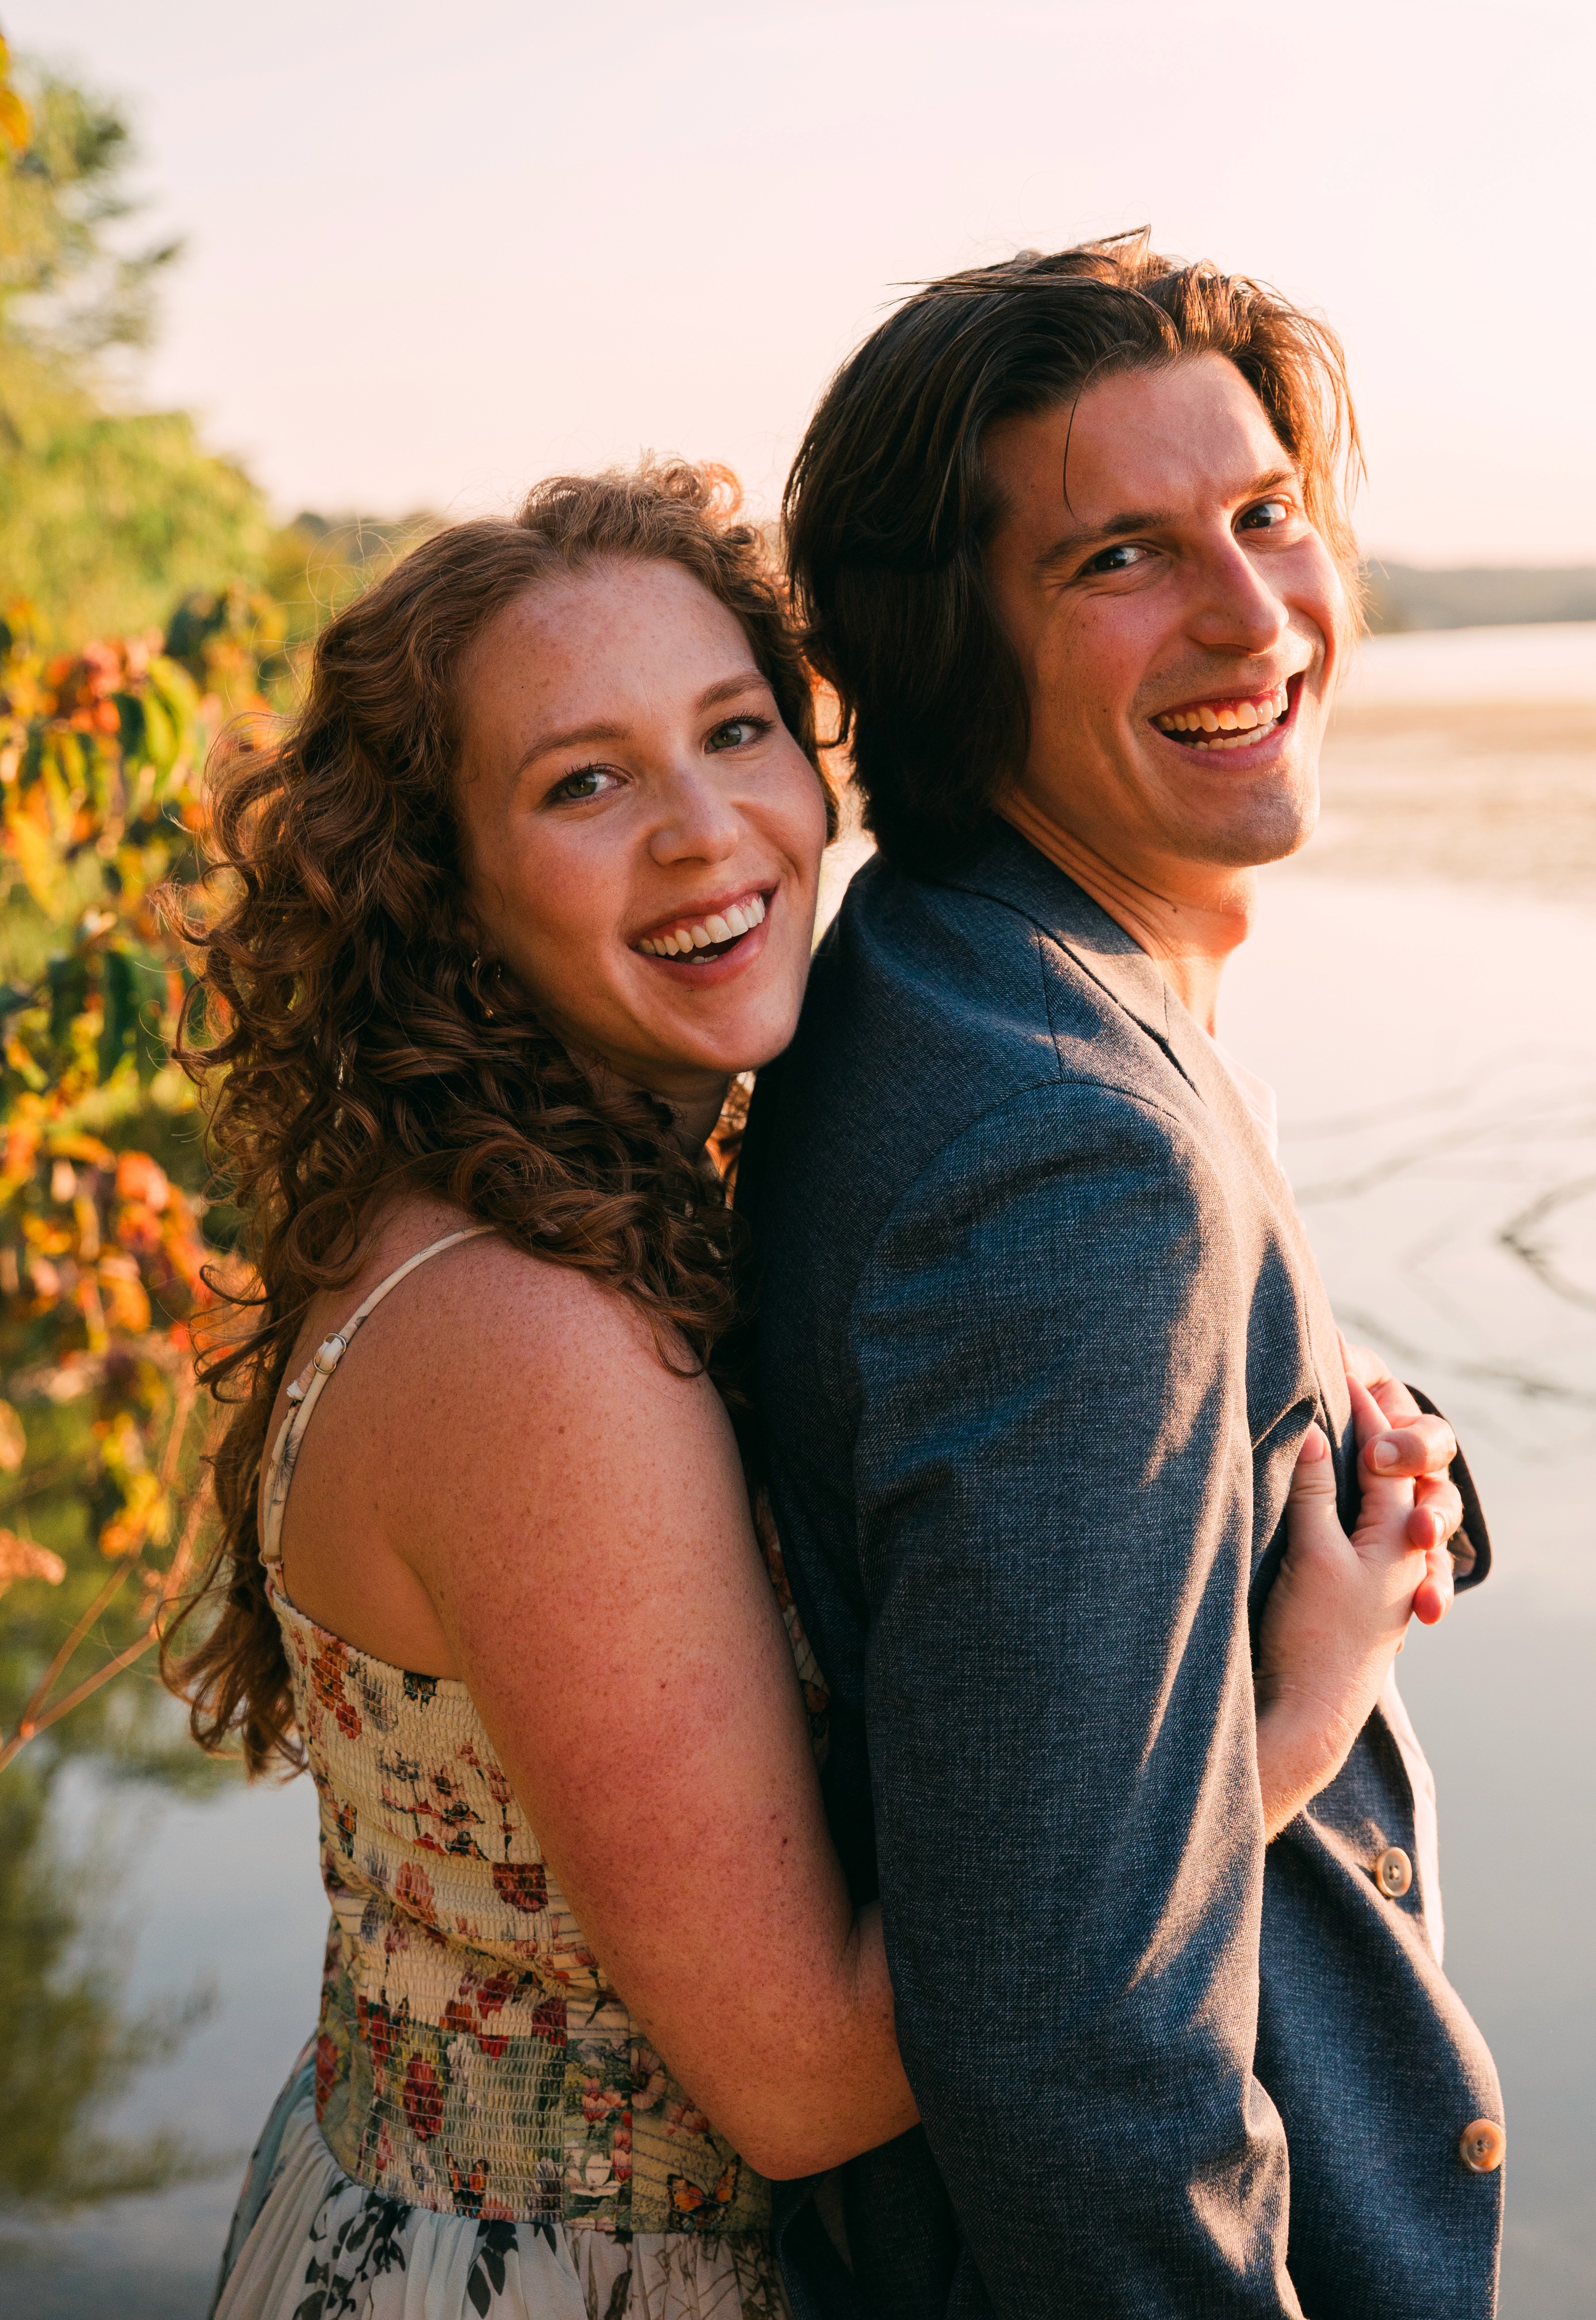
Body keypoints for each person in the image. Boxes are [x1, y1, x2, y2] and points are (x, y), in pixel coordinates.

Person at [178, 459, 1457, 2320]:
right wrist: (1294, 1715)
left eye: (738, 732)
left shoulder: (572, 1208)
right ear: (441, 885)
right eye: (585, 783)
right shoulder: (534, 1344)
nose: (709, 833)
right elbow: (795, 2083)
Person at [741, 235, 1501, 2320]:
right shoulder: (1072, 1154)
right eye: (1120, 561)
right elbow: (1080, 2053)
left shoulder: (950, 980)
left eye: (1268, 518)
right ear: (947, 651)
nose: (1254, 615)